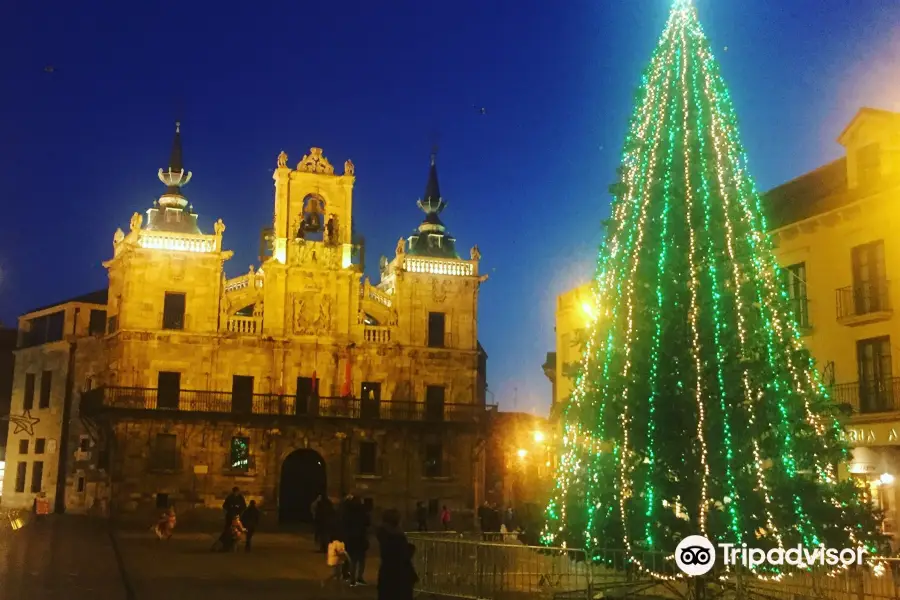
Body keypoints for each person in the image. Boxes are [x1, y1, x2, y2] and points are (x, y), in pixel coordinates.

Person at [376, 509, 417, 600]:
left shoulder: (384, 534)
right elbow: (402, 555)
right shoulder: (396, 536)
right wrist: (411, 548)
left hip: (387, 574)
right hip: (399, 576)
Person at [344, 496, 370, 586]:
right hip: (361, 537)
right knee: (361, 559)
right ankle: (359, 577)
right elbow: (367, 522)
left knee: (353, 559)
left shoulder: (348, 512)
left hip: (351, 538)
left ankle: (352, 578)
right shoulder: (362, 512)